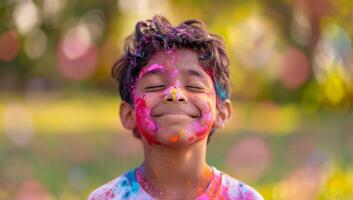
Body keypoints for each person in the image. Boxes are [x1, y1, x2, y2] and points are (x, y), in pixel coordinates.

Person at [88, 15, 264, 200]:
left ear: (221, 112)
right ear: (128, 114)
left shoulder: (243, 197)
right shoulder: (108, 197)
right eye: (154, 86)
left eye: (194, 86)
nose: (175, 94)